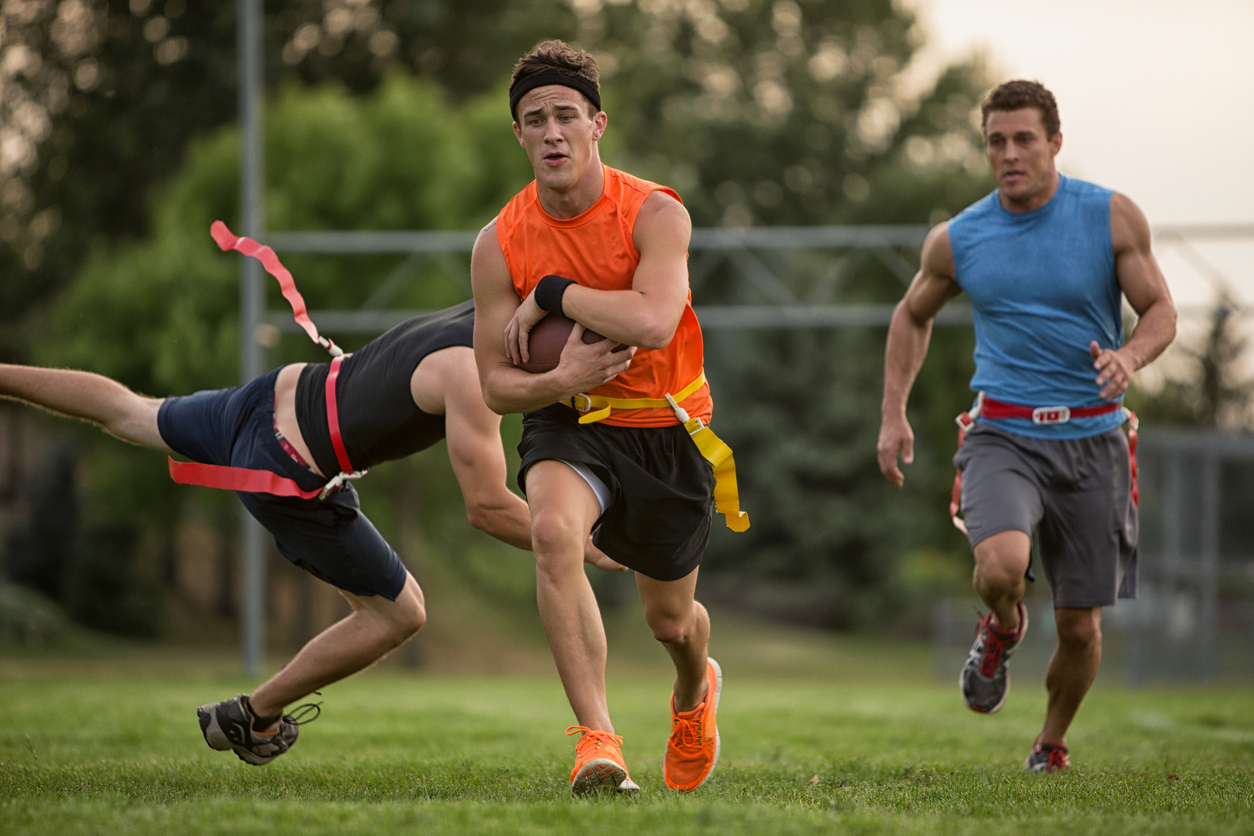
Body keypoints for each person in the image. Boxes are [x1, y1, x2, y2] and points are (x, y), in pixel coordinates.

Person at [0, 298, 622, 766]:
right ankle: (253, 715)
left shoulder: (495, 302)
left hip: (277, 393)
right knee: (399, 613)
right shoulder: (471, 377)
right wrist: (589, 547)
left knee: (132, 411)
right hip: (287, 469)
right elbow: (486, 508)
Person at [470, 40, 749, 795]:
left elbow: (655, 322)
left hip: (666, 427)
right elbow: (494, 386)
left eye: (566, 115)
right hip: (571, 420)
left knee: (670, 623)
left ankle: (695, 689)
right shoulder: (498, 242)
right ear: (519, 135)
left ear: (597, 124)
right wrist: (562, 378)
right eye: (535, 120)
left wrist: (554, 293)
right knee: (552, 532)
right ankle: (598, 742)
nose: (552, 132)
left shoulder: (655, 212)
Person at [877, 80, 1177, 773]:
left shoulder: (1110, 217)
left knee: (1080, 625)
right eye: (996, 142)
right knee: (1001, 565)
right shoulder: (960, 237)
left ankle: (1050, 743)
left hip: (1095, 438)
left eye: (1023, 140)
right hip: (1003, 433)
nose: (1009, 154)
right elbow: (911, 315)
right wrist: (893, 413)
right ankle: (1003, 626)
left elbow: (1160, 309)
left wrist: (1130, 357)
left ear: (1055, 143)